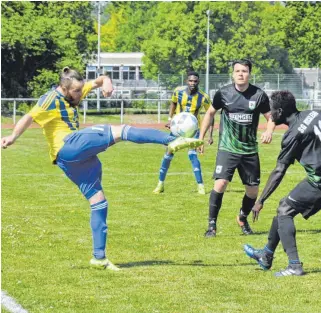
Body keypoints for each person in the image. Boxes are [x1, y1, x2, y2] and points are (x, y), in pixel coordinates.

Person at [1, 67, 204, 271]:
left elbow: (97, 82)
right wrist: (12, 137)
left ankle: (99, 258)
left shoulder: (74, 90)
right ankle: (172, 139)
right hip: (69, 145)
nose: (80, 94)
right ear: (64, 88)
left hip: (70, 161)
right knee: (121, 130)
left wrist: (106, 81)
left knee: (99, 203)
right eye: (76, 92)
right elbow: (29, 116)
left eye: (81, 90)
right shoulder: (49, 99)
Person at [244, 90, 321, 277]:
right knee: (285, 207)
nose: (269, 114)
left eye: (271, 111)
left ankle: (294, 266)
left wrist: (260, 200)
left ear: (280, 112)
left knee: (284, 210)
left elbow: (279, 171)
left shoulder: (291, 136)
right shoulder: (315, 113)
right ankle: (266, 255)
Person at [198, 59, 275, 237]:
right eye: (238, 71)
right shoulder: (223, 93)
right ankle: (212, 226)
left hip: (249, 150)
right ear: (233, 74)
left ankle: (242, 217)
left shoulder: (259, 95)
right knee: (221, 183)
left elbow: (270, 117)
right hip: (228, 148)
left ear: (249, 73)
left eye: (245, 71)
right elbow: (210, 113)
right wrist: (200, 138)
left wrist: (269, 131)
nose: (241, 74)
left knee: (252, 190)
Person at [153, 71, 214, 195]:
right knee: (168, 154)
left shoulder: (204, 97)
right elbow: (173, 103)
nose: (192, 83)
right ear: (187, 81)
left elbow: (211, 115)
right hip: (177, 129)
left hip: (193, 130)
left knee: (192, 155)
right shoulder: (178, 91)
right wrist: (170, 120)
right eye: (190, 81)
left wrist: (210, 135)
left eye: (195, 81)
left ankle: (200, 186)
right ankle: (160, 184)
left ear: (198, 82)